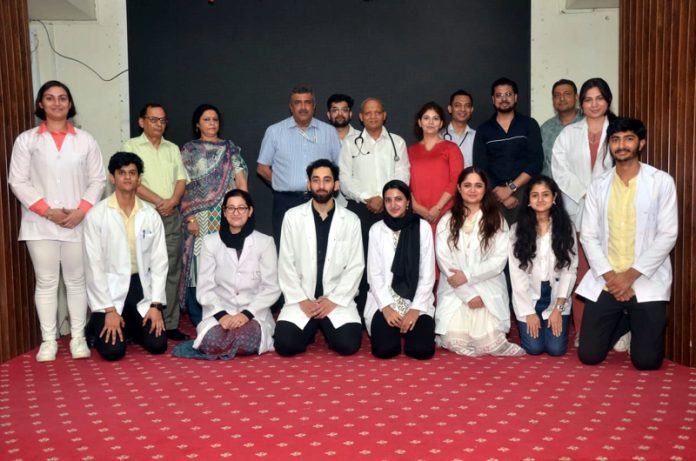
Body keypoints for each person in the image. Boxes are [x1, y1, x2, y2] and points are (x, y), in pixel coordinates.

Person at [9, 80, 106, 362]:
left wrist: (80, 211)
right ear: (41, 104)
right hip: (40, 224)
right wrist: (47, 211)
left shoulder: (85, 139)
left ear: (70, 103)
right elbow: (18, 180)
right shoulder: (27, 140)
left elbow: (97, 179)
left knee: (77, 281)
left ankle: (77, 338)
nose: (56, 103)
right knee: (47, 281)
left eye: (62, 98)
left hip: (78, 221)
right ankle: (48, 340)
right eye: (50, 98)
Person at [577, 118, 678, 371]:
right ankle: (623, 321)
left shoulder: (661, 182)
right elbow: (588, 236)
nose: (621, 145)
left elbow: (667, 235)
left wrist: (630, 276)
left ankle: (633, 321)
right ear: (610, 145)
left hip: (644, 279)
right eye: (615, 140)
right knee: (589, 355)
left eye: (628, 139)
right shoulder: (598, 185)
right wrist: (613, 278)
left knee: (646, 362)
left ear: (641, 142)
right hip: (608, 281)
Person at [274, 159, 364, 357]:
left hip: (336, 299)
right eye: (316, 180)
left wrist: (334, 300)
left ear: (336, 185)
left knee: (348, 345)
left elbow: (356, 266)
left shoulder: (351, 220)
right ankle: (310, 328)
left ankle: (319, 327)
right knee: (285, 345)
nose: (321, 186)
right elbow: (285, 263)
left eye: (327, 180)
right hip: (301, 298)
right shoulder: (292, 216)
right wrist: (301, 299)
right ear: (309, 184)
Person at [83, 152, 168, 361]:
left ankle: (130, 324)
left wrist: (156, 306)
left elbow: (160, 262)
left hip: (141, 286)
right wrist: (109, 310)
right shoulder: (96, 214)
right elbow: (93, 266)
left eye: (132, 173)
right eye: (122, 173)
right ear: (113, 177)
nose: (127, 177)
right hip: (109, 290)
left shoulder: (150, 215)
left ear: (139, 178)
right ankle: (97, 322)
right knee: (113, 353)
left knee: (157, 346)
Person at [551, 78, 616, 345]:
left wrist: (600, 195)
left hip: (612, 209)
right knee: (580, 270)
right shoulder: (568, 133)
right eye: (588, 100)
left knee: (610, 268)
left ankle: (614, 330)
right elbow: (559, 169)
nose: (594, 104)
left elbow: (623, 167)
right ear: (582, 103)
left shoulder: (619, 130)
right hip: (576, 207)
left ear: (608, 101)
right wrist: (586, 194)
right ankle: (584, 331)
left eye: (599, 98)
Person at [434, 167, 524, 357]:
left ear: (485, 189)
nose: (472, 190)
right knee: (452, 339)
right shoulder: (447, 220)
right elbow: (444, 262)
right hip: (455, 289)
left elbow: (499, 261)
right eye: (467, 185)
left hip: (487, 287)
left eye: (478, 185)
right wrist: (467, 294)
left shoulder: (496, 219)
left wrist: (468, 275)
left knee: (491, 342)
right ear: (458, 188)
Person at [122, 103, 190, 341]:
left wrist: (172, 201)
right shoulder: (131, 146)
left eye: (162, 120)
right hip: (141, 216)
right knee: (142, 269)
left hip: (171, 216)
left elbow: (181, 179)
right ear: (142, 122)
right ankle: (137, 322)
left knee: (171, 269)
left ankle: (169, 322)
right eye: (153, 119)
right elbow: (132, 181)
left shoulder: (172, 148)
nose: (158, 124)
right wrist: (161, 201)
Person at [179, 104, 249, 327]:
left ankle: (226, 313)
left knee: (225, 262)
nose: (212, 123)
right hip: (198, 216)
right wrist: (189, 218)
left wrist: (242, 208)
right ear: (197, 124)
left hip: (226, 214)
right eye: (206, 119)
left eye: (215, 119)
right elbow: (183, 185)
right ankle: (199, 318)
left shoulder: (229, 149)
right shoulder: (189, 151)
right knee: (198, 267)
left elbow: (241, 180)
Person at [339, 97, 410, 313]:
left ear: (384, 115)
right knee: (361, 260)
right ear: (360, 117)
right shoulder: (350, 143)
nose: (372, 116)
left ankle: (397, 305)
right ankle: (362, 310)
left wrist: (384, 198)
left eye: (377, 112)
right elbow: (344, 178)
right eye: (368, 113)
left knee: (393, 258)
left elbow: (403, 174)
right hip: (362, 209)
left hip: (394, 209)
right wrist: (367, 197)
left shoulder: (397, 142)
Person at [191, 189, 280, 359]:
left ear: (250, 211)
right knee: (212, 340)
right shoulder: (210, 242)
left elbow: (271, 288)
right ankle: (227, 344)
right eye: (231, 208)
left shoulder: (265, 242)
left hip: (253, 313)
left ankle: (225, 347)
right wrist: (221, 315)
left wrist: (246, 314)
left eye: (241, 208)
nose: (236, 213)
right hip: (220, 312)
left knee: (246, 338)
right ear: (224, 212)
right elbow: (204, 288)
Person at [257, 87, 342, 248]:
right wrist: (281, 183)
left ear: (314, 106)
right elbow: (262, 167)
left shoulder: (329, 132)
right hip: (285, 202)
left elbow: (338, 167)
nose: (303, 107)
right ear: (291, 107)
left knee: (321, 247)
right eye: (298, 103)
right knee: (287, 249)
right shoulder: (274, 131)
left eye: (307, 102)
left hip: (320, 200)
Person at [363, 180, 435, 359]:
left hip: (416, 300)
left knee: (421, 351)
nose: (393, 205)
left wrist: (415, 309)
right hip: (385, 300)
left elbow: (427, 275)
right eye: (388, 200)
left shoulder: (422, 228)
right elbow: (374, 274)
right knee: (385, 350)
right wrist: (386, 307)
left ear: (408, 201)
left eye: (398, 199)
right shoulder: (376, 230)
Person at [509, 176, 578, 356]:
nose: (540, 200)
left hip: (557, 297)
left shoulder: (566, 227)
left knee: (556, 350)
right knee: (534, 348)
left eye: (545, 195)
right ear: (529, 200)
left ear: (554, 197)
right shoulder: (517, 229)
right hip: (529, 296)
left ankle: (553, 316)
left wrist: (558, 309)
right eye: (535, 195)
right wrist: (528, 312)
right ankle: (532, 319)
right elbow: (517, 276)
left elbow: (569, 271)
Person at [473, 77, 543, 224]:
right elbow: (481, 166)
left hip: (525, 192)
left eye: (508, 94)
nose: (503, 99)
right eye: (499, 95)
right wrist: (500, 193)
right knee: (496, 242)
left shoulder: (529, 125)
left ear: (516, 97)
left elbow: (535, 162)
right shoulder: (484, 130)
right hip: (494, 193)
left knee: (525, 240)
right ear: (493, 99)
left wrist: (510, 189)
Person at [408, 101, 464, 232]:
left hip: (445, 212)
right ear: (420, 122)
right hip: (417, 213)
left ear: (441, 123)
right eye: (426, 118)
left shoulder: (452, 148)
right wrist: (416, 207)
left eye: (435, 118)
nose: (431, 122)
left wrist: (438, 207)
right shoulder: (410, 150)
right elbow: (405, 181)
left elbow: (456, 180)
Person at [540, 79, 584, 177]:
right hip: (552, 188)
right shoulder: (546, 129)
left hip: (582, 188)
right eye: (557, 95)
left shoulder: (587, 123)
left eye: (567, 94)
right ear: (553, 100)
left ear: (576, 97)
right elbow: (541, 164)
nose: (562, 99)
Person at [442, 89, 476, 167]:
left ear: (471, 110)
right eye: (457, 105)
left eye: (467, 106)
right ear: (450, 109)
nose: (462, 109)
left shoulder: (477, 137)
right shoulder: (439, 136)